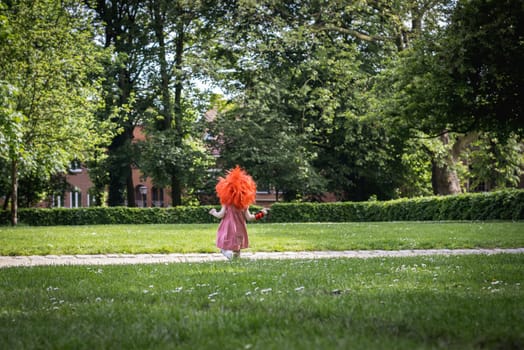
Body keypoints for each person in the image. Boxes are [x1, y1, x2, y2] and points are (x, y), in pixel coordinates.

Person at [209, 166, 268, 260]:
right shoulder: (244, 205)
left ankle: (227, 253)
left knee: (225, 247)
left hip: (228, 228)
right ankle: (235, 259)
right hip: (240, 228)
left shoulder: (226, 203)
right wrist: (261, 213)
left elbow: (220, 215)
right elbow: (249, 218)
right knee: (237, 249)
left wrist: (213, 212)